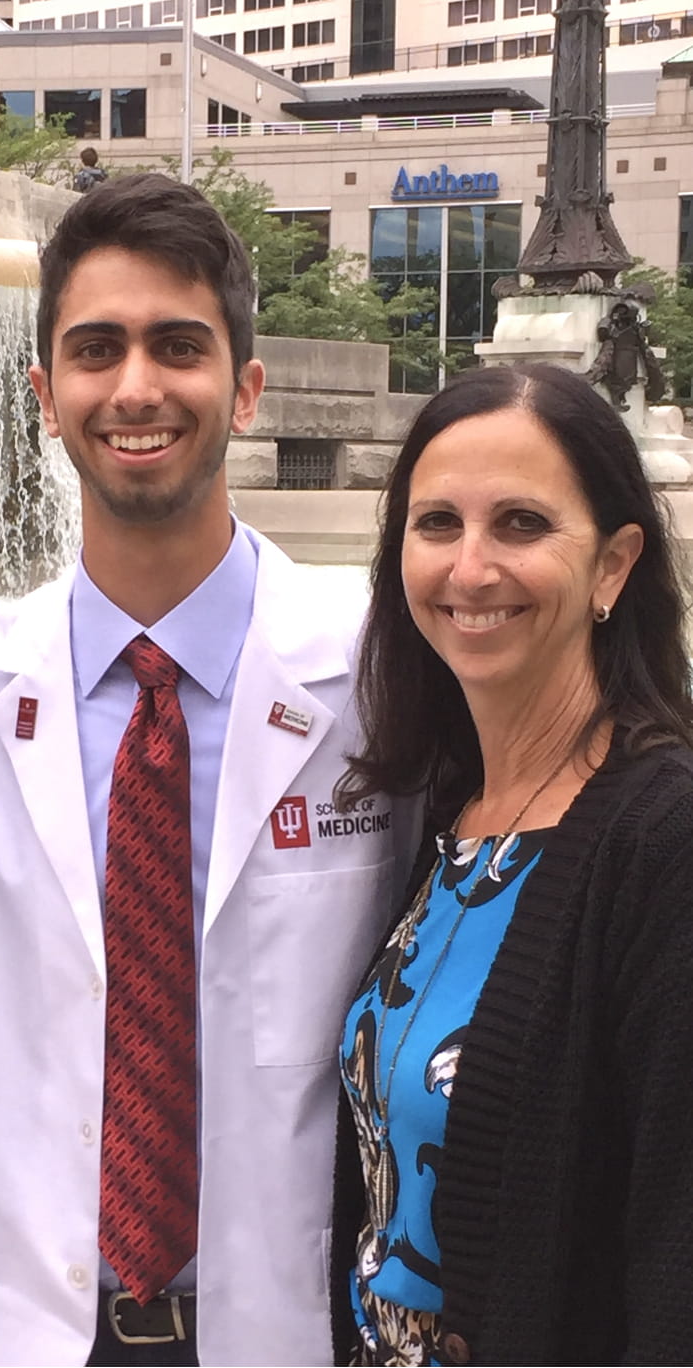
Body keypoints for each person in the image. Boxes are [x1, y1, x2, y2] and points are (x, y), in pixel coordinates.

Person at [0, 172, 416, 1367]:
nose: (136, 387)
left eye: (178, 347)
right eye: (96, 350)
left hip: (294, 1319)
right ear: (45, 396)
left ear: (244, 388)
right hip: (26, 1323)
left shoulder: (381, 677)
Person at [331, 362, 693, 1365]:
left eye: (522, 525)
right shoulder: (451, 813)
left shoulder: (662, 841)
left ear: (614, 566)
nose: (471, 568)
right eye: (438, 524)